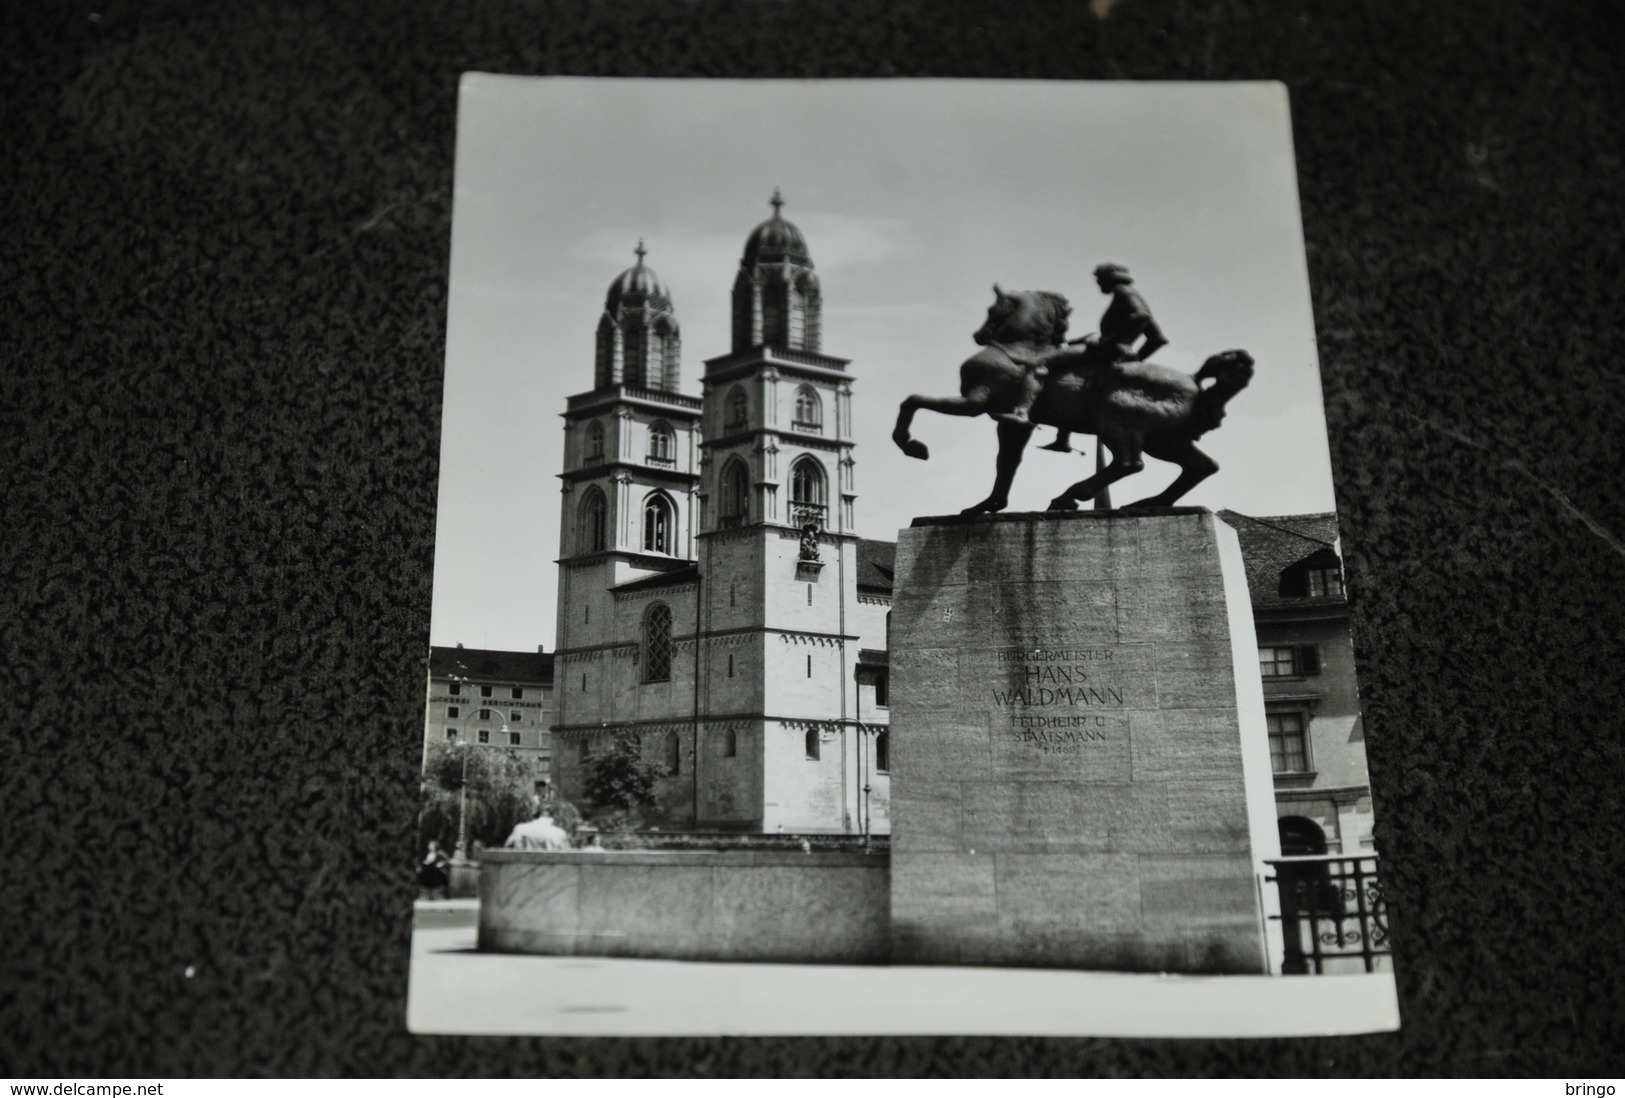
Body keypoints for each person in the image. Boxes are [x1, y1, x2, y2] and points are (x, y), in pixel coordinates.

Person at [1000, 264, 1169, 448]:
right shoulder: (1133, 295)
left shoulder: (1124, 292)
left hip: (1105, 351)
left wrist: (1108, 342)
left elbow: (1141, 316)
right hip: (1115, 351)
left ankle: (1021, 412)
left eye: (1099, 279)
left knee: (1038, 362)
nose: (1098, 284)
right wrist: (1135, 358)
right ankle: (1062, 439)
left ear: (1110, 278)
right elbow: (1158, 339)